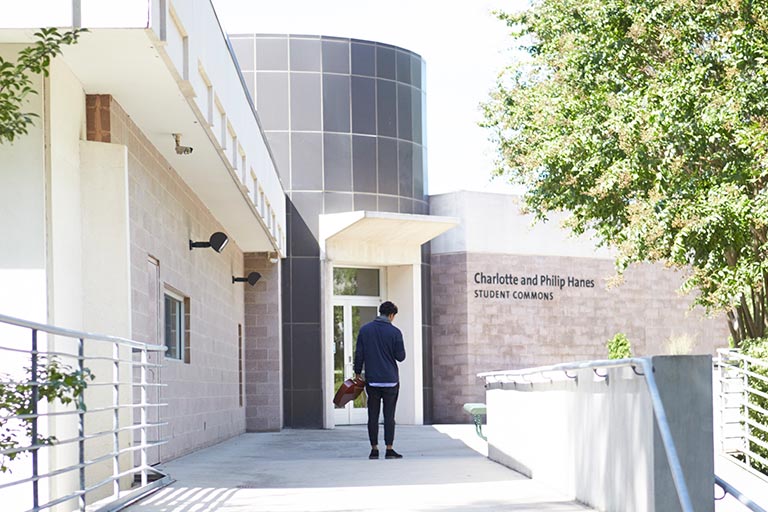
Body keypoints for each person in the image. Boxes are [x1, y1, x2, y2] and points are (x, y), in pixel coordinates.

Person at [354, 301, 406, 460]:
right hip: (390, 381)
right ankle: (389, 449)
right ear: (391, 315)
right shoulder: (395, 332)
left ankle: (374, 449)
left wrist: (357, 372)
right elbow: (401, 357)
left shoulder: (365, 330)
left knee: (373, 416)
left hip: (372, 381)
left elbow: (359, 354)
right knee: (389, 416)